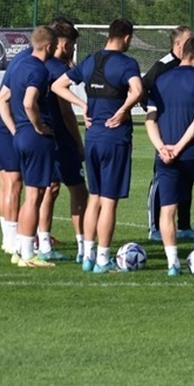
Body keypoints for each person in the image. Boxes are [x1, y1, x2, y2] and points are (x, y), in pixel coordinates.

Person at [51, 18, 143, 274]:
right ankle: (103, 259)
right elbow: (136, 91)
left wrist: (82, 106)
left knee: (94, 197)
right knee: (109, 202)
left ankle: (88, 256)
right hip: (115, 138)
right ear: (126, 38)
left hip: (93, 137)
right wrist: (124, 110)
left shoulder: (90, 60)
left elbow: (57, 85)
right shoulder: (127, 63)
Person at [144, 36, 194, 276]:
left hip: (165, 155)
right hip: (193, 152)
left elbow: (150, 119)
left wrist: (162, 147)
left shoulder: (161, 80)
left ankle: (172, 263)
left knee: (168, 210)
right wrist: (180, 146)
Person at [7, 26, 58, 268]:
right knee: (34, 195)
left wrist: (16, 129)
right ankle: (27, 253)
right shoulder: (38, 70)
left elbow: (2, 99)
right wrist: (37, 126)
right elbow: (29, 102)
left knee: (31, 193)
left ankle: (19, 247)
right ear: (49, 47)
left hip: (20, 135)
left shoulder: (18, 66)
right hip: (34, 136)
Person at [37, 18, 86, 262]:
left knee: (49, 188)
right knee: (78, 190)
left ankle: (43, 243)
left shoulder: (37, 64)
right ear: (64, 44)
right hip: (60, 137)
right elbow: (66, 111)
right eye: (72, 45)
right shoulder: (58, 70)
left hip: (42, 135)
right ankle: (83, 247)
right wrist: (78, 142)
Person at [143, 25, 194, 242]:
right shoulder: (162, 67)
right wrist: (154, 111)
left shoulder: (191, 66)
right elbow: (140, 90)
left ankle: (184, 225)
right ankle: (155, 226)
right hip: (164, 132)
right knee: (162, 178)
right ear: (178, 44)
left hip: (185, 130)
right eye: (189, 40)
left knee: (187, 177)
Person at [0, 40, 30, 259]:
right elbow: (3, 99)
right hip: (5, 126)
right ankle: (12, 240)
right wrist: (15, 130)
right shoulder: (28, 62)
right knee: (13, 183)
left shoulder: (22, 58)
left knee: (6, 183)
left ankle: (8, 239)